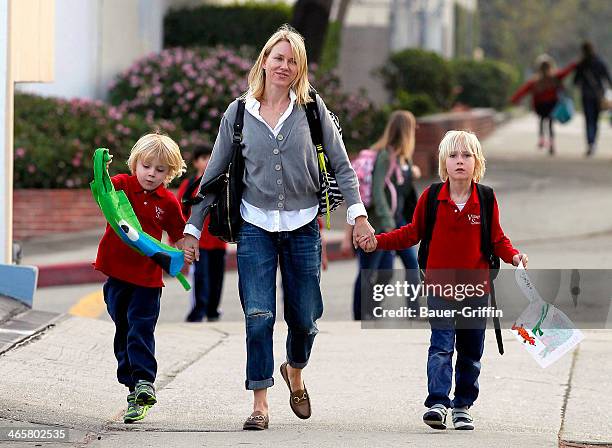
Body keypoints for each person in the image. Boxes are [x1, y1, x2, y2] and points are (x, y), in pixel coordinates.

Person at [182, 24, 374, 430]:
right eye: (278, 58)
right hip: (255, 226)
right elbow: (212, 177)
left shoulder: (311, 109)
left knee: (305, 317)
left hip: (304, 226)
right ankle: (260, 401)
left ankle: (295, 368)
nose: (284, 66)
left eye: (293, 61)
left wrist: (358, 216)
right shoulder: (238, 113)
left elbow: (341, 166)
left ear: (300, 68)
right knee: (258, 314)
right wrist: (193, 231)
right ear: (264, 61)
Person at [358, 130, 528, 431]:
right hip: (440, 287)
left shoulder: (486, 198)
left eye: (466, 155)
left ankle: (462, 405)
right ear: (443, 163)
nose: (460, 161)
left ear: (477, 162)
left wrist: (513, 256)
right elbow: (411, 233)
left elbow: (498, 239)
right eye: (453, 156)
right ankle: (437, 402)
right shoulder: (432, 198)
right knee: (440, 346)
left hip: (476, 289)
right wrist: (377, 242)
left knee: (471, 351)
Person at [94, 133, 187, 423]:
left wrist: (185, 248)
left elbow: (178, 233)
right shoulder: (122, 185)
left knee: (140, 328)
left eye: (160, 170)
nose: (151, 174)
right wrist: (102, 167)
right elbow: (104, 190)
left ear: (169, 174)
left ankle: (144, 382)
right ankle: (132, 383)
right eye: (147, 166)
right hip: (116, 275)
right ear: (136, 164)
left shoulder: (168, 203)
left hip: (147, 280)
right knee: (123, 328)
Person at [343, 110, 421, 320]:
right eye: (412, 127)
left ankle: (414, 311)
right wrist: (387, 223)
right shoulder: (385, 156)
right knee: (370, 271)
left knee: (408, 266)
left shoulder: (404, 158)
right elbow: (377, 191)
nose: (415, 131)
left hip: (398, 222)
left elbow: (402, 193)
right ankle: (361, 314)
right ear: (405, 130)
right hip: (379, 223)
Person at [177, 146, 226, 322]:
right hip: (198, 243)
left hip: (218, 242)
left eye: (210, 157)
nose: (207, 162)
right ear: (196, 162)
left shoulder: (221, 183)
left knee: (217, 278)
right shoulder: (189, 185)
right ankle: (198, 312)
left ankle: (213, 310)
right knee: (200, 277)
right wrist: (179, 237)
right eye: (203, 158)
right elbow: (179, 211)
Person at [511, 55, 576, 155]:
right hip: (551, 105)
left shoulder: (535, 81)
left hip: (540, 106)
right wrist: (575, 63)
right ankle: (551, 144)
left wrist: (514, 100)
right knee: (550, 124)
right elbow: (566, 71)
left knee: (541, 121)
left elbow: (523, 91)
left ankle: (541, 139)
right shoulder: (555, 77)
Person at [573, 41, 612, 156]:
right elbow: (607, 78)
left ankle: (590, 143)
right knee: (595, 120)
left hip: (586, 95)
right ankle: (593, 142)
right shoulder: (600, 62)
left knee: (589, 120)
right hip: (598, 95)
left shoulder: (581, 65)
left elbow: (576, 81)